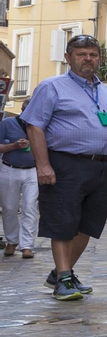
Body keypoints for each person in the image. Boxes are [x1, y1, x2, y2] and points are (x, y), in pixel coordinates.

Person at [20, 34, 107, 300]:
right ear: (68, 58)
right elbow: (35, 126)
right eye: (81, 54)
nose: (88, 58)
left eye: (93, 54)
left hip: (100, 166)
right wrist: (43, 165)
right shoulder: (52, 87)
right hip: (66, 164)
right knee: (63, 223)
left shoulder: (105, 90)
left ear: (99, 58)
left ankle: (60, 274)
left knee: (88, 226)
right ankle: (64, 278)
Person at [0, 111, 39, 260]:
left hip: (32, 170)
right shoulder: (7, 123)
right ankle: (12, 241)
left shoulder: (41, 124)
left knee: (29, 206)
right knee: (9, 208)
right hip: (9, 168)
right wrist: (14, 146)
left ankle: (27, 245)